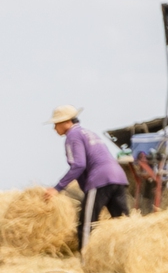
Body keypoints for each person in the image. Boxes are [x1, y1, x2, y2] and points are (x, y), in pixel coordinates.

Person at [49, 106, 129, 248]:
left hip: (100, 180)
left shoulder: (72, 136)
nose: (54, 128)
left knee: (87, 225)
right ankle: (129, 256)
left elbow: (79, 165)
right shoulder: (88, 133)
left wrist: (57, 188)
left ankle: (86, 261)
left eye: (56, 124)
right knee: (124, 223)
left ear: (66, 122)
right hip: (118, 177)